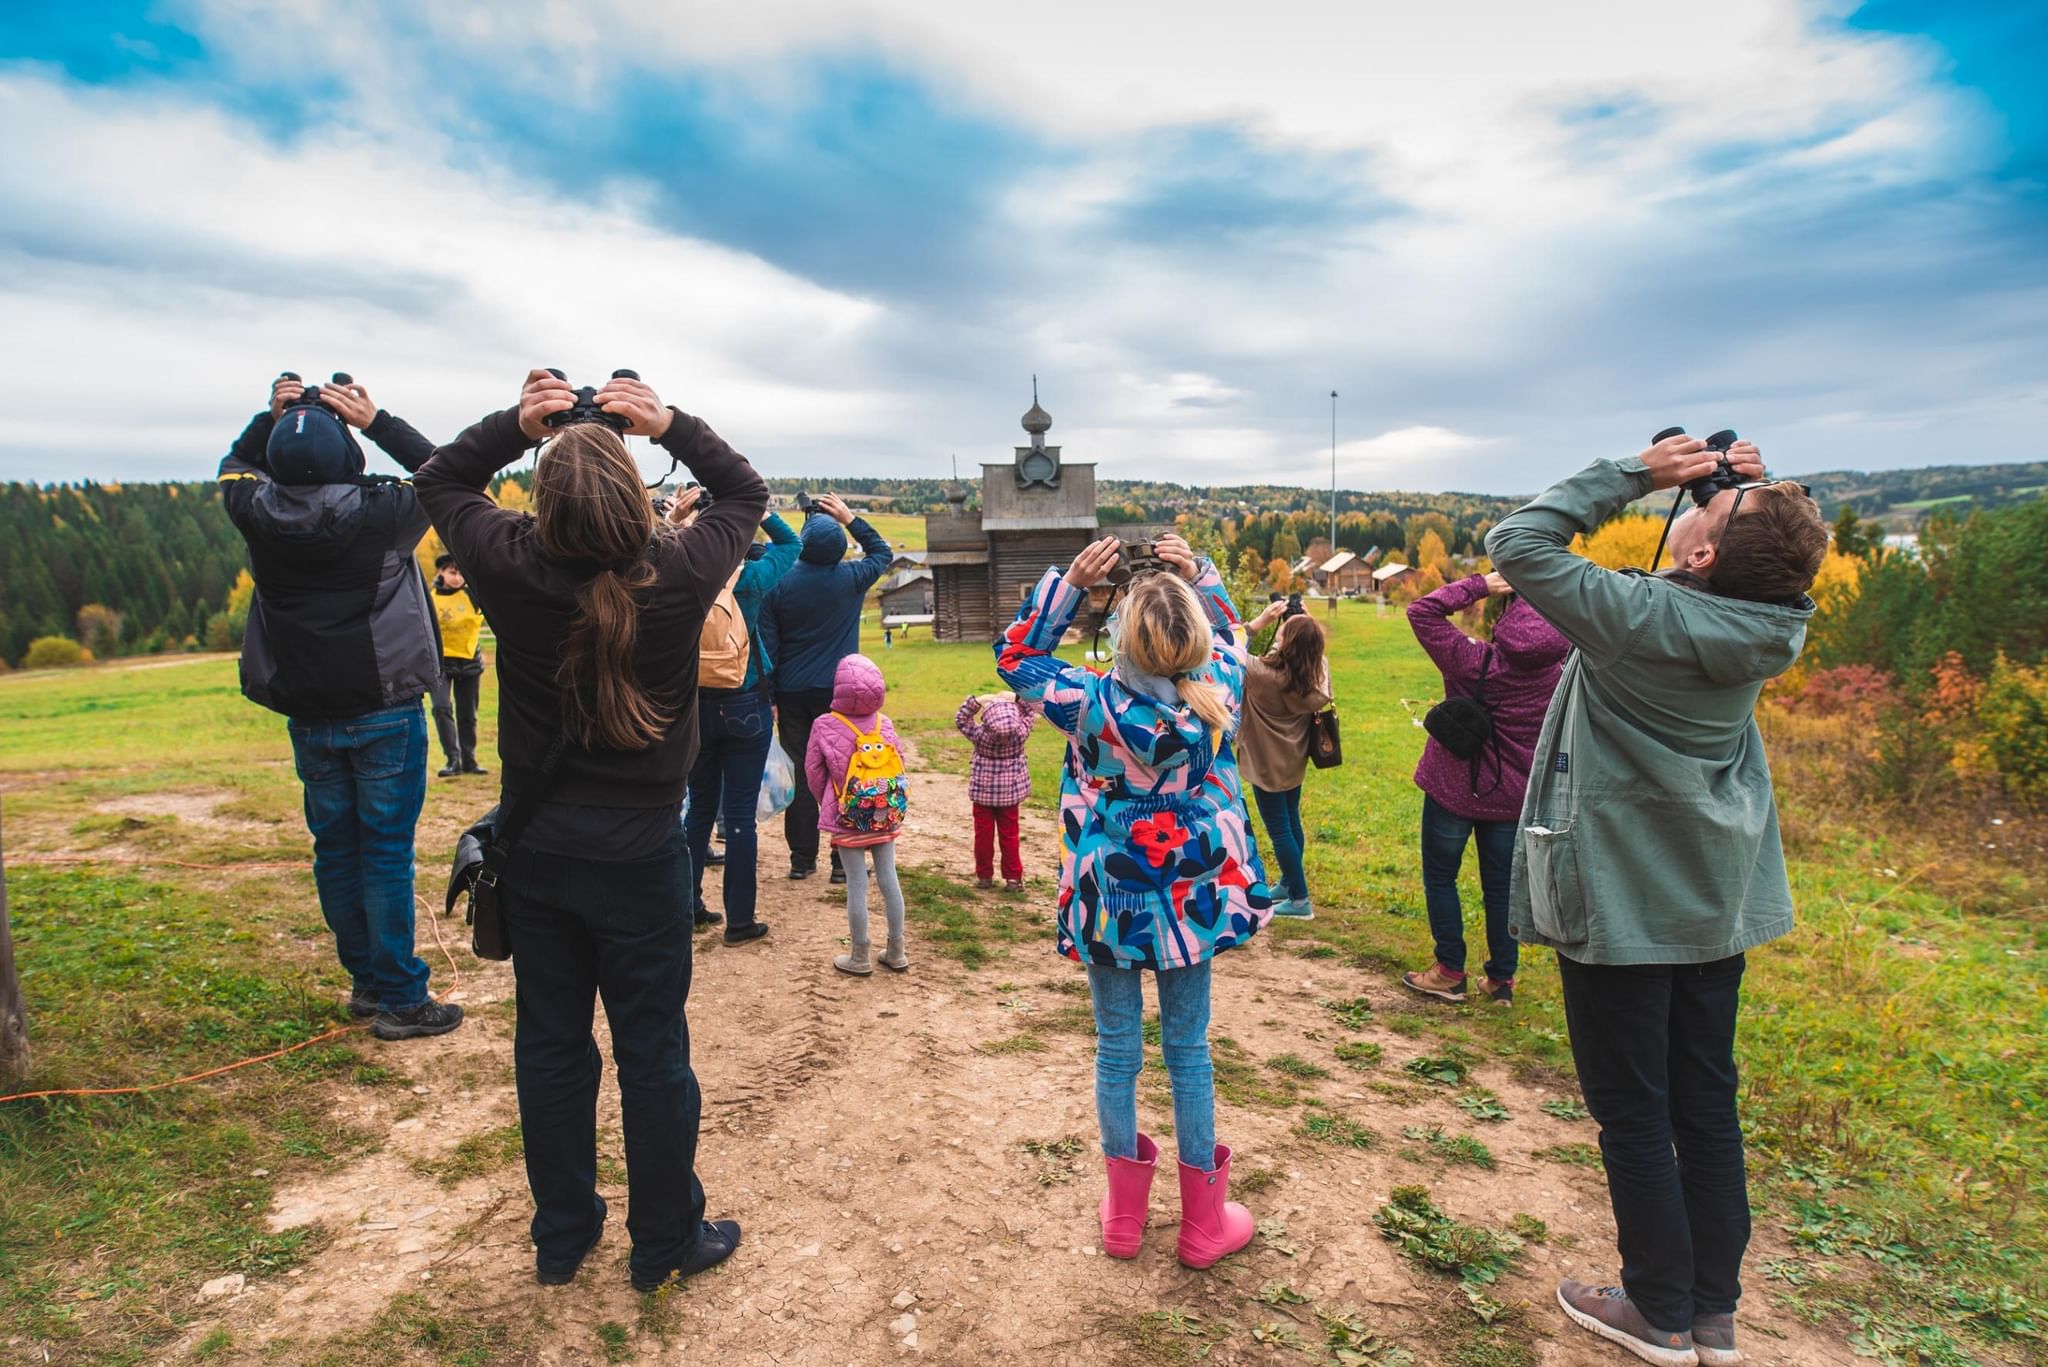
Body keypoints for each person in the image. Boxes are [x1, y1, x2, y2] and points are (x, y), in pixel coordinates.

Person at [413, 369, 766, 1293]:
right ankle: (664, 1241)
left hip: (540, 856)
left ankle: (562, 1233)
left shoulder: (505, 562)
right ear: (629, 500)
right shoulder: (681, 570)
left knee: (551, 1047)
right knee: (655, 1051)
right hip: (645, 852)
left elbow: (440, 483)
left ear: (542, 500)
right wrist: (668, 422)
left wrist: (518, 423)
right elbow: (745, 493)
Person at [1486, 433, 1828, 1367]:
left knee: (1634, 1110)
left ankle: (1656, 1310)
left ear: (1700, 552)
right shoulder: (1773, 619)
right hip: (1714, 899)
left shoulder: (1641, 617)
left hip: (1624, 902)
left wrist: (1637, 475)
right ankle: (1711, 1313)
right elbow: (1771, 559)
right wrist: (1749, 500)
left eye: (1714, 509)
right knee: (1704, 1105)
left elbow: (1517, 542)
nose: (1706, 498)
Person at [997, 534, 1275, 1270]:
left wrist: (1067, 586)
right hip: (1194, 898)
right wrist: (1200, 573)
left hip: (1107, 894)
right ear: (1196, 634)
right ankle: (1203, 1222)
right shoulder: (1220, 682)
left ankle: (1124, 1217)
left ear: (1121, 637)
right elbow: (1233, 630)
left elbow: (1014, 659)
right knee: (1188, 1050)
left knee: (1117, 1050)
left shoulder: (1087, 700)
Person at [218, 374, 462, 1043]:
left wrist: (271, 418)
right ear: (349, 456)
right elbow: (448, 472)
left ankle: (366, 981)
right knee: (386, 852)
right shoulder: (383, 512)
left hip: (308, 708)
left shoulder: (256, 510)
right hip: (384, 704)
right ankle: (404, 998)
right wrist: (376, 418)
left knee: (336, 849)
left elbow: (233, 468)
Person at [1400, 571, 1568, 1005]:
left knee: (1441, 877)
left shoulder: (1471, 661)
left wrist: (1481, 584)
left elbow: (1422, 610)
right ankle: (1501, 982)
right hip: (1512, 798)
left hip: (1452, 788)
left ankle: (1449, 971)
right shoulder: (1561, 675)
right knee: (1500, 888)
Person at [672, 489, 800, 943]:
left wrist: (678, 514)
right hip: (745, 701)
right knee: (740, 816)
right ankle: (740, 921)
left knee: (698, 811)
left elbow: (651, 546)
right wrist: (759, 511)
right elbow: (792, 546)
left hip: (694, 706)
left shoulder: (683, 573)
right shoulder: (749, 579)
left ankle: (687, 908)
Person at [758, 495, 892, 882]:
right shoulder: (851, 578)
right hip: (841, 696)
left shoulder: (779, 581)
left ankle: (802, 860)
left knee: (801, 770)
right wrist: (850, 518)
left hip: (793, 692)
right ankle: (841, 860)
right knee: (845, 771)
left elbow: (769, 643)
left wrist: (770, 697)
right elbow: (881, 552)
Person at [802, 653, 910, 975]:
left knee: (857, 884)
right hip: (883, 814)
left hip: (847, 817)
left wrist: (831, 801)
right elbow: (900, 764)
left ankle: (860, 955)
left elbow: (813, 772)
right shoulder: (885, 723)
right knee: (889, 878)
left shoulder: (823, 724)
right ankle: (897, 950)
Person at [1237, 604, 1333, 920]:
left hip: (1265, 763)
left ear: (1285, 643)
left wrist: (1259, 623)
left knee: (1280, 830)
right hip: (1294, 759)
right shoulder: (1316, 677)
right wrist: (1304, 622)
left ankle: (1300, 900)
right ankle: (1290, 884)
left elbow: (1229, 647)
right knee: (1292, 822)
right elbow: (1314, 653)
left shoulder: (1261, 674)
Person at [953, 691, 1040, 891]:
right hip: (1010, 797)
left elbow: (961, 718)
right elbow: (1029, 714)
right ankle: (1013, 878)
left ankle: (984, 876)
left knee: (982, 836)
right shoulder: (1020, 734)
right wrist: (1017, 698)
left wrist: (976, 702)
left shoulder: (980, 736)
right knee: (1010, 835)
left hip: (983, 796)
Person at [429, 554, 488, 778]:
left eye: (461, 573)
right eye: (452, 572)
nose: (457, 578)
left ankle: (469, 759)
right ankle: (452, 759)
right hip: (440, 665)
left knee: (467, 714)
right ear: (441, 573)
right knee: (441, 708)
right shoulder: (430, 597)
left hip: (469, 662)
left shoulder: (472, 595)